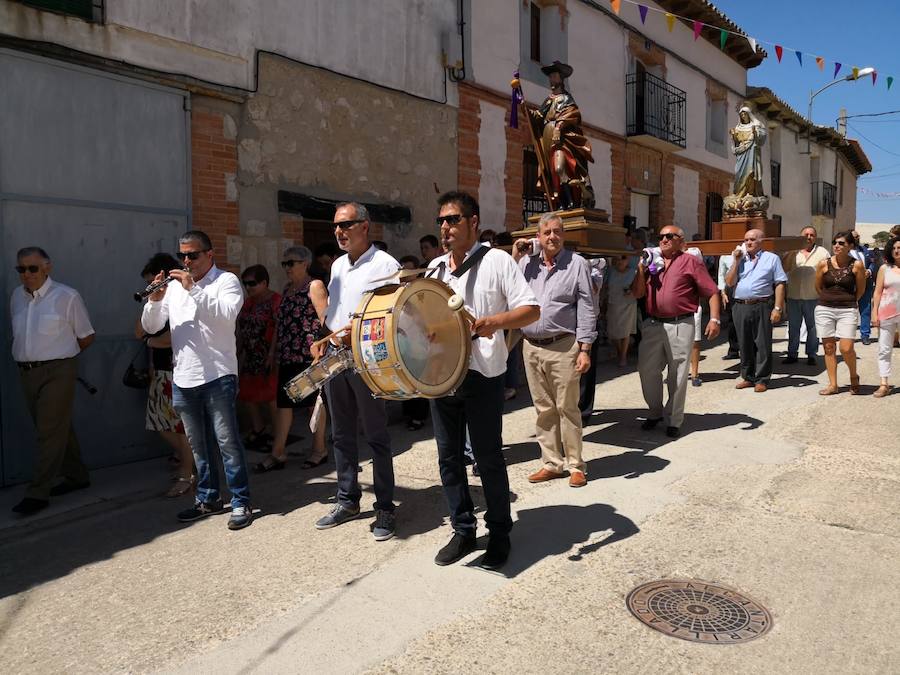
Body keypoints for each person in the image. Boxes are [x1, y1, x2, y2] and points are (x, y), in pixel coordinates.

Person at [428, 191, 539, 569]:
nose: (446, 227)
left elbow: (530, 310)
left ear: (473, 222)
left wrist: (495, 322)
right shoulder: (435, 271)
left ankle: (500, 533)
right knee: (448, 458)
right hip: (443, 376)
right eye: (442, 220)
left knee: (488, 458)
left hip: (483, 375)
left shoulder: (498, 262)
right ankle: (463, 529)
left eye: (454, 219)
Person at [142, 230, 253, 530]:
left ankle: (241, 501)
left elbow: (226, 316)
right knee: (198, 445)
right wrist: (153, 300)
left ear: (209, 254)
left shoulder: (226, 281)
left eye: (193, 255)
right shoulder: (174, 288)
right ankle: (208, 498)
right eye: (182, 255)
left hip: (218, 374)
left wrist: (193, 289)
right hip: (184, 377)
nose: (187, 260)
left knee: (227, 442)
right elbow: (150, 326)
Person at [310, 203, 400, 541]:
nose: (338, 231)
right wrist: (324, 338)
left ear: (365, 226)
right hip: (336, 357)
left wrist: (355, 330)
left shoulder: (384, 264)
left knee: (376, 435)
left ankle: (386, 508)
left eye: (346, 225)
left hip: (367, 358)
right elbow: (334, 314)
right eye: (335, 226)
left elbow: (389, 315)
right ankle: (347, 499)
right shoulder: (336, 266)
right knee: (341, 433)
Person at [9, 247, 94, 516]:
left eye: (32, 268)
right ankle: (77, 475)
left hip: (58, 371)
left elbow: (86, 336)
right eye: (21, 269)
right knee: (57, 427)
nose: (27, 274)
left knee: (48, 431)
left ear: (47, 268)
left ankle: (38, 492)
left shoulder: (66, 296)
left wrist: (63, 358)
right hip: (27, 372)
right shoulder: (16, 297)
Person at [513, 212, 595, 488]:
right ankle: (551, 462)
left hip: (564, 346)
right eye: (547, 232)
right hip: (531, 347)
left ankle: (575, 465)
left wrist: (585, 348)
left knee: (567, 407)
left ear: (563, 235)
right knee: (544, 408)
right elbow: (507, 290)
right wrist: (515, 256)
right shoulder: (526, 264)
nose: (552, 237)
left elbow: (586, 307)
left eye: (557, 231)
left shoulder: (577, 264)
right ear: (538, 236)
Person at [630, 226, 720, 437]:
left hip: (681, 323)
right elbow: (637, 293)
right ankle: (654, 412)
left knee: (678, 374)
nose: (663, 239)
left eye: (669, 236)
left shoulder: (691, 262)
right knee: (647, 369)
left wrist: (714, 319)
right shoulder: (651, 260)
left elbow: (712, 291)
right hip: (652, 324)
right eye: (660, 236)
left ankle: (673, 418)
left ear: (681, 241)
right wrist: (641, 270)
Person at [259, 247, 329, 471]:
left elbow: (324, 318)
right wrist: (272, 353)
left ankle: (319, 450)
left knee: (313, 405)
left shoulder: (315, 286)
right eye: (284, 264)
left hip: (309, 355)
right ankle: (278, 452)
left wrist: (321, 346)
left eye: (291, 263)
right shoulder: (287, 289)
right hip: (288, 354)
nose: (287, 268)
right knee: (284, 405)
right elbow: (280, 324)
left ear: (305, 263)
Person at [136, 253, 193, 498]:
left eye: (155, 280)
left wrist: (151, 341)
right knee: (161, 423)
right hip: (160, 371)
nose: (152, 286)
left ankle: (187, 473)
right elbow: (140, 331)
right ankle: (188, 463)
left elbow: (174, 337)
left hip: (178, 370)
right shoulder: (157, 302)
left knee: (181, 428)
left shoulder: (180, 299)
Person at [521, 61, 594, 209]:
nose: (552, 80)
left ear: (561, 79)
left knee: (560, 168)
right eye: (551, 77)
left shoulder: (567, 98)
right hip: (547, 138)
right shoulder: (548, 100)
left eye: (554, 76)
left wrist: (559, 127)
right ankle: (562, 203)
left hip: (562, 139)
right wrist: (525, 109)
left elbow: (573, 113)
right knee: (552, 171)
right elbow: (538, 117)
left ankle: (572, 200)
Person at [725, 229, 787, 392]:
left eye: (752, 239)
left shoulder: (772, 258)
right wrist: (736, 262)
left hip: (762, 305)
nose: (748, 243)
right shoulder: (740, 260)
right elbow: (730, 282)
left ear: (761, 241)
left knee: (762, 343)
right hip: (740, 306)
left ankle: (762, 378)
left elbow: (780, 283)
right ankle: (748, 376)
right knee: (744, 343)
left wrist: (777, 308)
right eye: (746, 240)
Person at [815, 231, 866, 395]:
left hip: (848, 309)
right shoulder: (823, 264)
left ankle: (853, 376)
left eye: (841, 243)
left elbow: (861, 290)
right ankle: (833, 384)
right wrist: (829, 299)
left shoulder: (857, 265)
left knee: (846, 348)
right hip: (825, 308)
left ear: (850, 246)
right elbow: (818, 287)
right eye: (835, 243)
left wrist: (848, 301)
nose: (837, 246)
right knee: (829, 347)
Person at [237, 264, 280, 451]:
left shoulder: (275, 300)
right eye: (245, 284)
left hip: (267, 353)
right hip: (250, 353)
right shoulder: (248, 303)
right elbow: (241, 327)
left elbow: (279, 328)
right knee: (247, 394)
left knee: (271, 396)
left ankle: (278, 433)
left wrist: (272, 353)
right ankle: (258, 428)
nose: (248, 287)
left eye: (252, 283)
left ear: (264, 282)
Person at [782, 226, 829, 365]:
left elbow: (827, 274)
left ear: (815, 237)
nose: (809, 237)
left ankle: (812, 354)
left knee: (812, 327)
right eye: (806, 235)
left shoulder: (823, 252)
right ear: (801, 236)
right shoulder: (793, 252)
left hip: (813, 296)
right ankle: (792, 354)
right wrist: (791, 252)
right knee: (793, 327)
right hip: (794, 296)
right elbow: (784, 268)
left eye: (812, 235)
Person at [724, 107, 768, 216]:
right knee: (739, 175)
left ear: (749, 115)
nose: (743, 116)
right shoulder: (738, 128)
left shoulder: (756, 126)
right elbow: (736, 144)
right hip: (741, 156)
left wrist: (755, 133)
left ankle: (750, 193)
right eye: (741, 115)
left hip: (752, 155)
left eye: (745, 114)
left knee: (751, 173)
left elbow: (761, 139)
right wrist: (733, 136)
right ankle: (739, 194)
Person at [872, 236, 900, 397]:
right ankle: (884, 384)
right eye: (894, 248)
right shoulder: (885, 269)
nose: (897, 251)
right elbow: (877, 292)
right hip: (886, 313)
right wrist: (875, 313)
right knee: (884, 349)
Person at [605, 254, 637, 367]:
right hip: (613, 303)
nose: (620, 261)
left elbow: (639, 287)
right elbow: (605, 287)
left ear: (628, 259)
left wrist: (631, 291)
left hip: (628, 304)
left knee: (625, 331)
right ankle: (620, 351)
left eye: (623, 258)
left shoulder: (634, 272)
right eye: (617, 258)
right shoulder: (610, 271)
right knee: (614, 332)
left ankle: (623, 356)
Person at [850, 231, 876, 345]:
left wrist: (869, 271)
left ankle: (865, 335)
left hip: (866, 284)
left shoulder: (865, 251)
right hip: (850, 285)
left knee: (865, 310)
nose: (857, 238)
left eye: (858, 236)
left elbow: (872, 263)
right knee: (848, 311)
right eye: (855, 237)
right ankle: (847, 335)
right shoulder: (845, 252)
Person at [717, 254, 740, 359]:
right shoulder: (725, 256)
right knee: (732, 321)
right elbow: (721, 274)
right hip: (730, 288)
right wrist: (723, 292)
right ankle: (733, 350)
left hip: (743, 286)